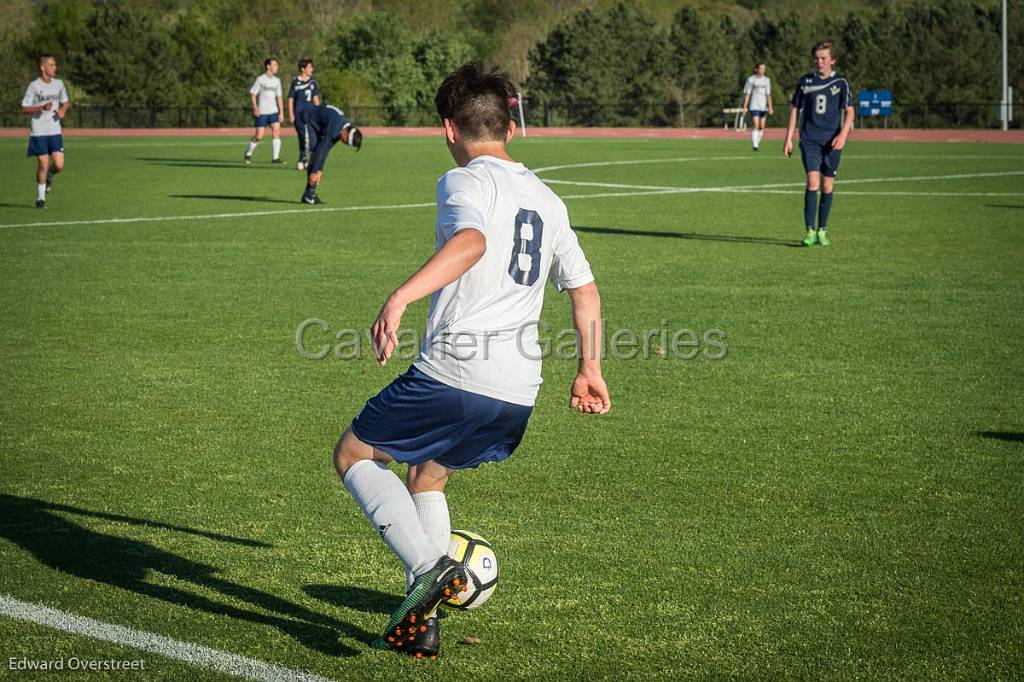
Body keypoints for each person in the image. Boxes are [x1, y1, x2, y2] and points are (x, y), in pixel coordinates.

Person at [331, 62, 611, 659]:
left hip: (457, 372)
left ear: (450, 130)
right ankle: (422, 619)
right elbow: (584, 290)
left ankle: (431, 567)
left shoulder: (464, 182)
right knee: (426, 475)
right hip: (518, 389)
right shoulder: (549, 199)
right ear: (509, 125)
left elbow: (472, 242)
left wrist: (400, 296)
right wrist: (589, 368)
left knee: (353, 454)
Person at [783, 41, 854, 246]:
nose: (819, 61)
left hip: (832, 141)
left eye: (824, 58)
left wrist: (843, 135)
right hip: (809, 139)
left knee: (827, 185)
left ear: (832, 60)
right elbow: (795, 109)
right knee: (812, 182)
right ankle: (810, 231)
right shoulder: (805, 81)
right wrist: (788, 138)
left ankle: (822, 230)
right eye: (816, 58)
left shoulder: (841, 82)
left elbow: (850, 111)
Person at [21, 54, 70, 209]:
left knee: (59, 165)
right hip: (39, 132)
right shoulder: (34, 86)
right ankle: (40, 199)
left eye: (55, 64)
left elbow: (66, 102)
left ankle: (49, 176)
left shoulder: (59, 84)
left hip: (55, 131)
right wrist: (40, 107)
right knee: (43, 163)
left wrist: (62, 111)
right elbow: (24, 108)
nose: (54, 67)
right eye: (51, 65)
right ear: (43, 67)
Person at [300, 104, 362, 204]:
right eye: (345, 141)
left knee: (317, 156)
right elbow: (321, 149)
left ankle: (309, 194)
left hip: (316, 123)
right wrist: (315, 170)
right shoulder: (336, 127)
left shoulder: (343, 128)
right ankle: (309, 193)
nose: (344, 143)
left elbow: (326, 149)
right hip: (307, 119)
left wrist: (319, 170)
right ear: (346, 132)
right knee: (315, 153)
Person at [244, 58, 284, 165]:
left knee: (277, 132)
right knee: (259, 136)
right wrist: (255, 108)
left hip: (274, 111)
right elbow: (253, 94)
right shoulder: (260, 79)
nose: (277, 67)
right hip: (262, 112)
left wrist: (281, 112)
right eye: (275, 65)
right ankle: (248, 153)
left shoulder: (277, 81)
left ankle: (275, 158)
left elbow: (279, 97)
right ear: (268, 66)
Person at [287, 58, 321, 170]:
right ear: (303, 69)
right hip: (299, 115)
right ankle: (303, 158)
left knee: (312, 139)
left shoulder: (313, 82)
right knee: (303, 137)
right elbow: (291, 99)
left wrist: (319, 112)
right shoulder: (295, 82)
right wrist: (291, 114)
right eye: (310, 67)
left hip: (311, 115)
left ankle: (304, 159)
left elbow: (316, 99)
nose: (312, 69)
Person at [741, 63, 773, 151]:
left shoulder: (767, 80)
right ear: (756, 69)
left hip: (763, 106)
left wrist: (770, 106)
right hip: (754, 105)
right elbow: (747, 94)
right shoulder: (751, 80)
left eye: (764, 69)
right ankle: (755, 145)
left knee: (762, 126)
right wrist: (745, 107)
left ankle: (757, 142)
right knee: (756, 124)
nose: (763, 70)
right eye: (761, 68)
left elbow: (768, 94)